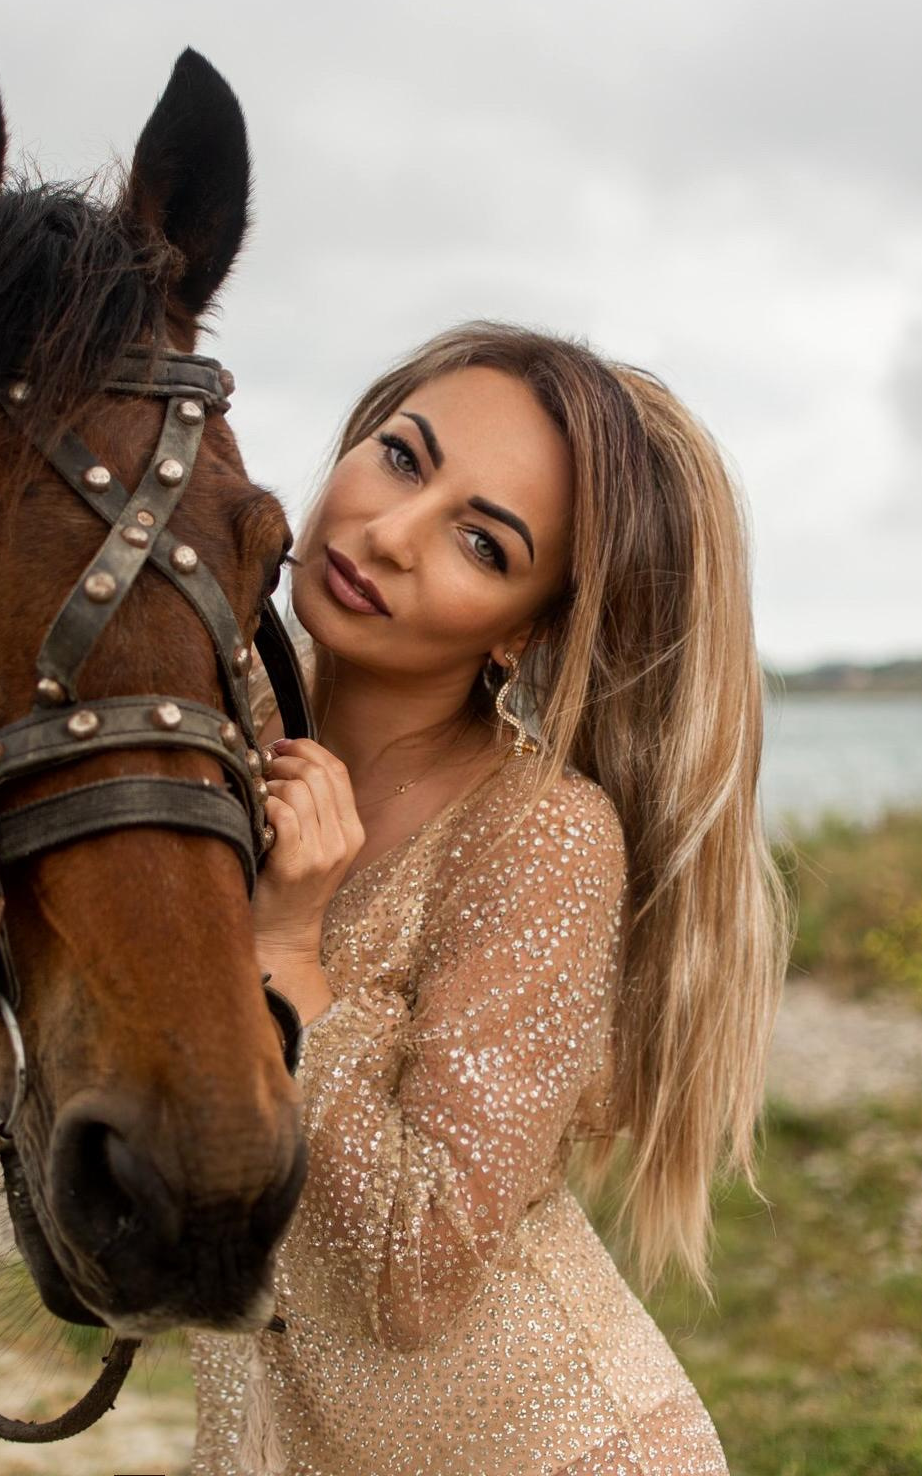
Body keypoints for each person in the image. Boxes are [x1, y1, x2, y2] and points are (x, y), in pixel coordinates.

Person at [187, 323, 792, 1475]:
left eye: (480, 541)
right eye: (403, 458)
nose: (390, 533)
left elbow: (416, 1273)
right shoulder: (214, 746)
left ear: (523, 628)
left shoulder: (539, 837)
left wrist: (289, 955)